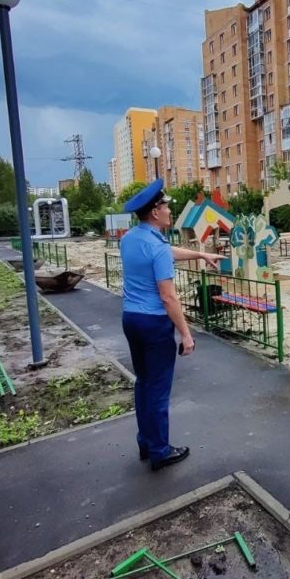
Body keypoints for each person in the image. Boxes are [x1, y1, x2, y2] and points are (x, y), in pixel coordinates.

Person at [120, 179, 223, 471]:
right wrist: (186, 335)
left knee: (143, 383)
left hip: (131, 318)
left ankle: (146, 442)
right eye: (165, 207)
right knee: (159, 389)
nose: (169, 211)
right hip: (154, 324)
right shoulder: (158, 247)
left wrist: (201, 254)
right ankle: (160, 451)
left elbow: (167, 252)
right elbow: (168, 297)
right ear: (155, 212)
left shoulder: (130, 239)